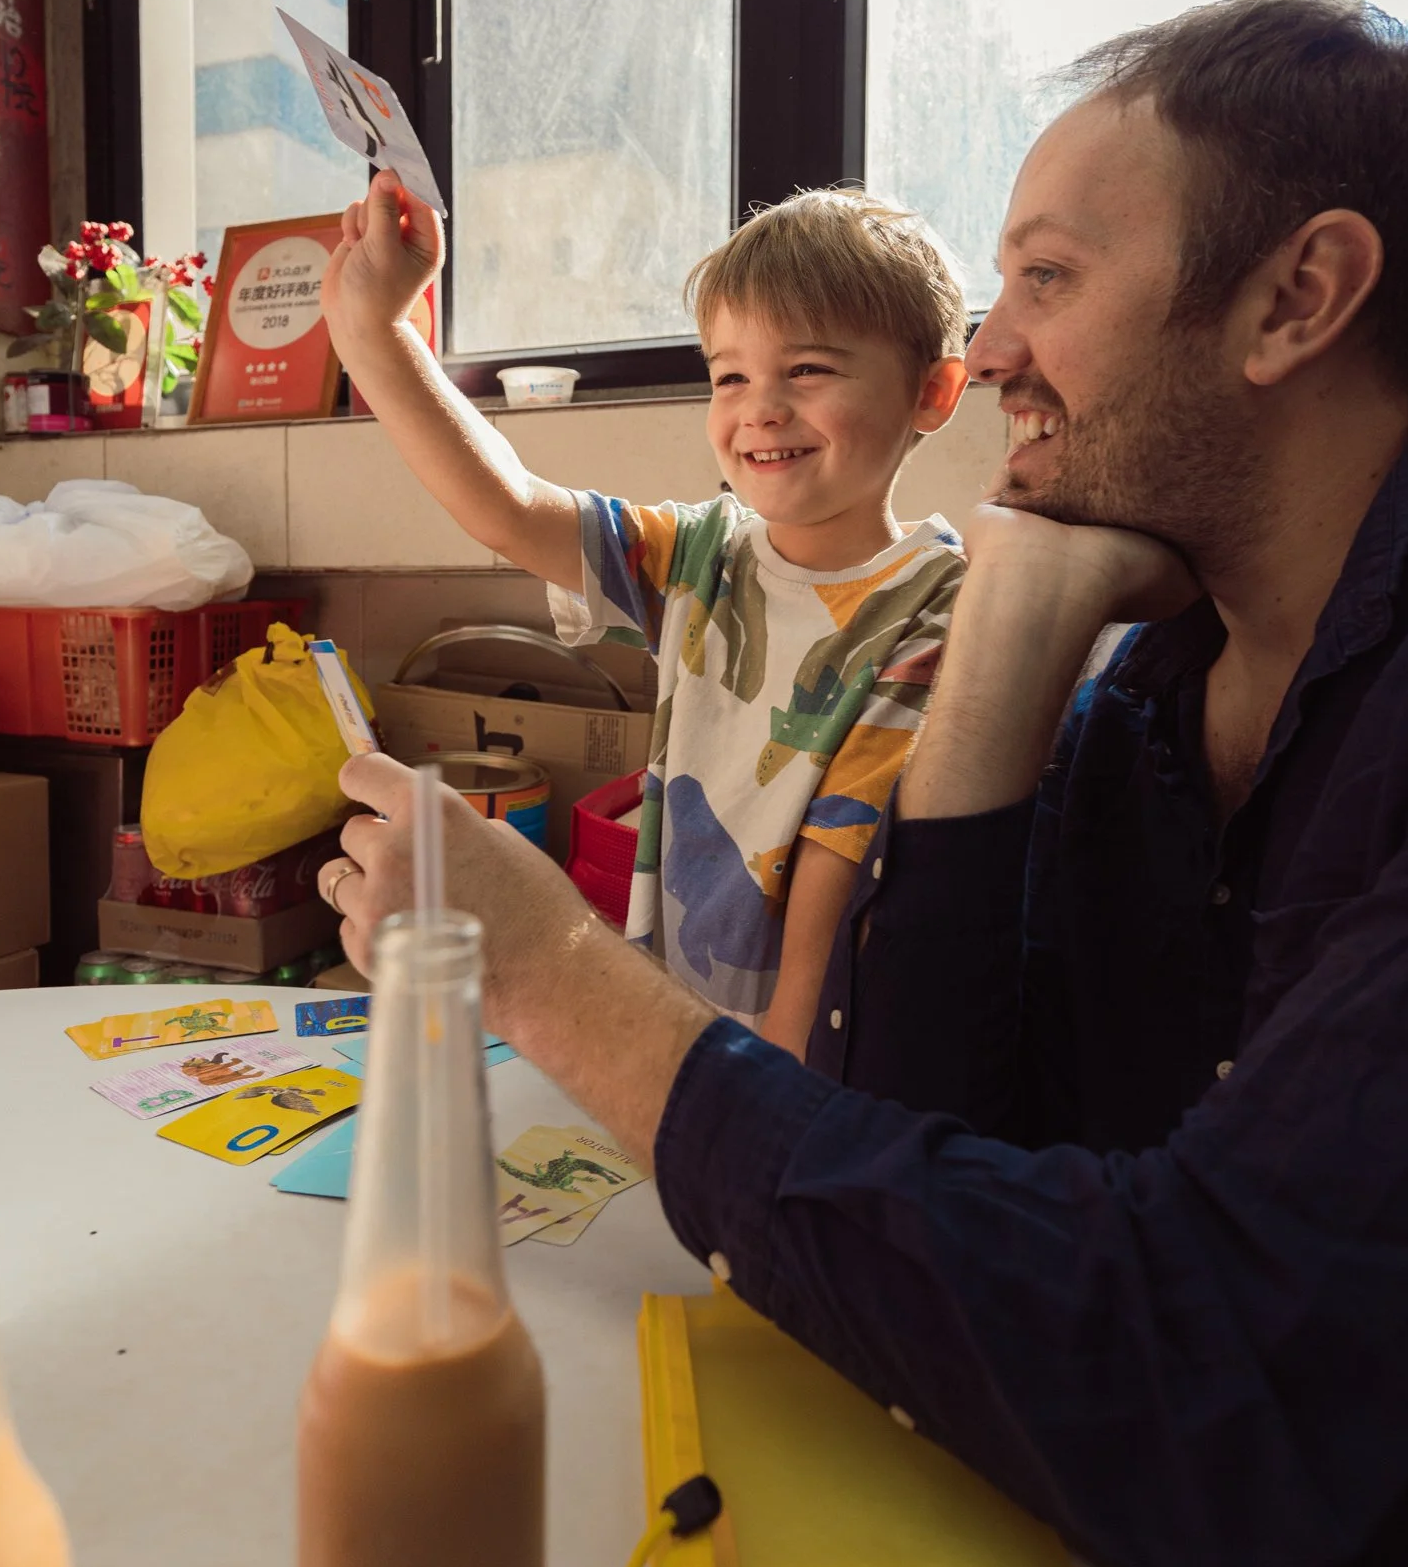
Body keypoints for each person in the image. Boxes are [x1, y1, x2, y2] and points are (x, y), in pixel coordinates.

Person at [318, 0, 1408, 1567]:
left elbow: (1192, 1390)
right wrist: (1007, 649)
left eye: (1049, 277)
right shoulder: (1149, 678)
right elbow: (939, 1145)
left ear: (1293, 298)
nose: (995, 343)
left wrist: (549, 969)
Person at [321, 181, 970, 1054]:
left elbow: (833, 881)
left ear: (933, 391)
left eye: (807, 369)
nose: (760, 408)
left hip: (808, 1065)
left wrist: (769, 1119)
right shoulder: (704, 555)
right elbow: (508, 509)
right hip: (673, 1038)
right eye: (729, 375)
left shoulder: (935, 607)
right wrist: (378, 332)